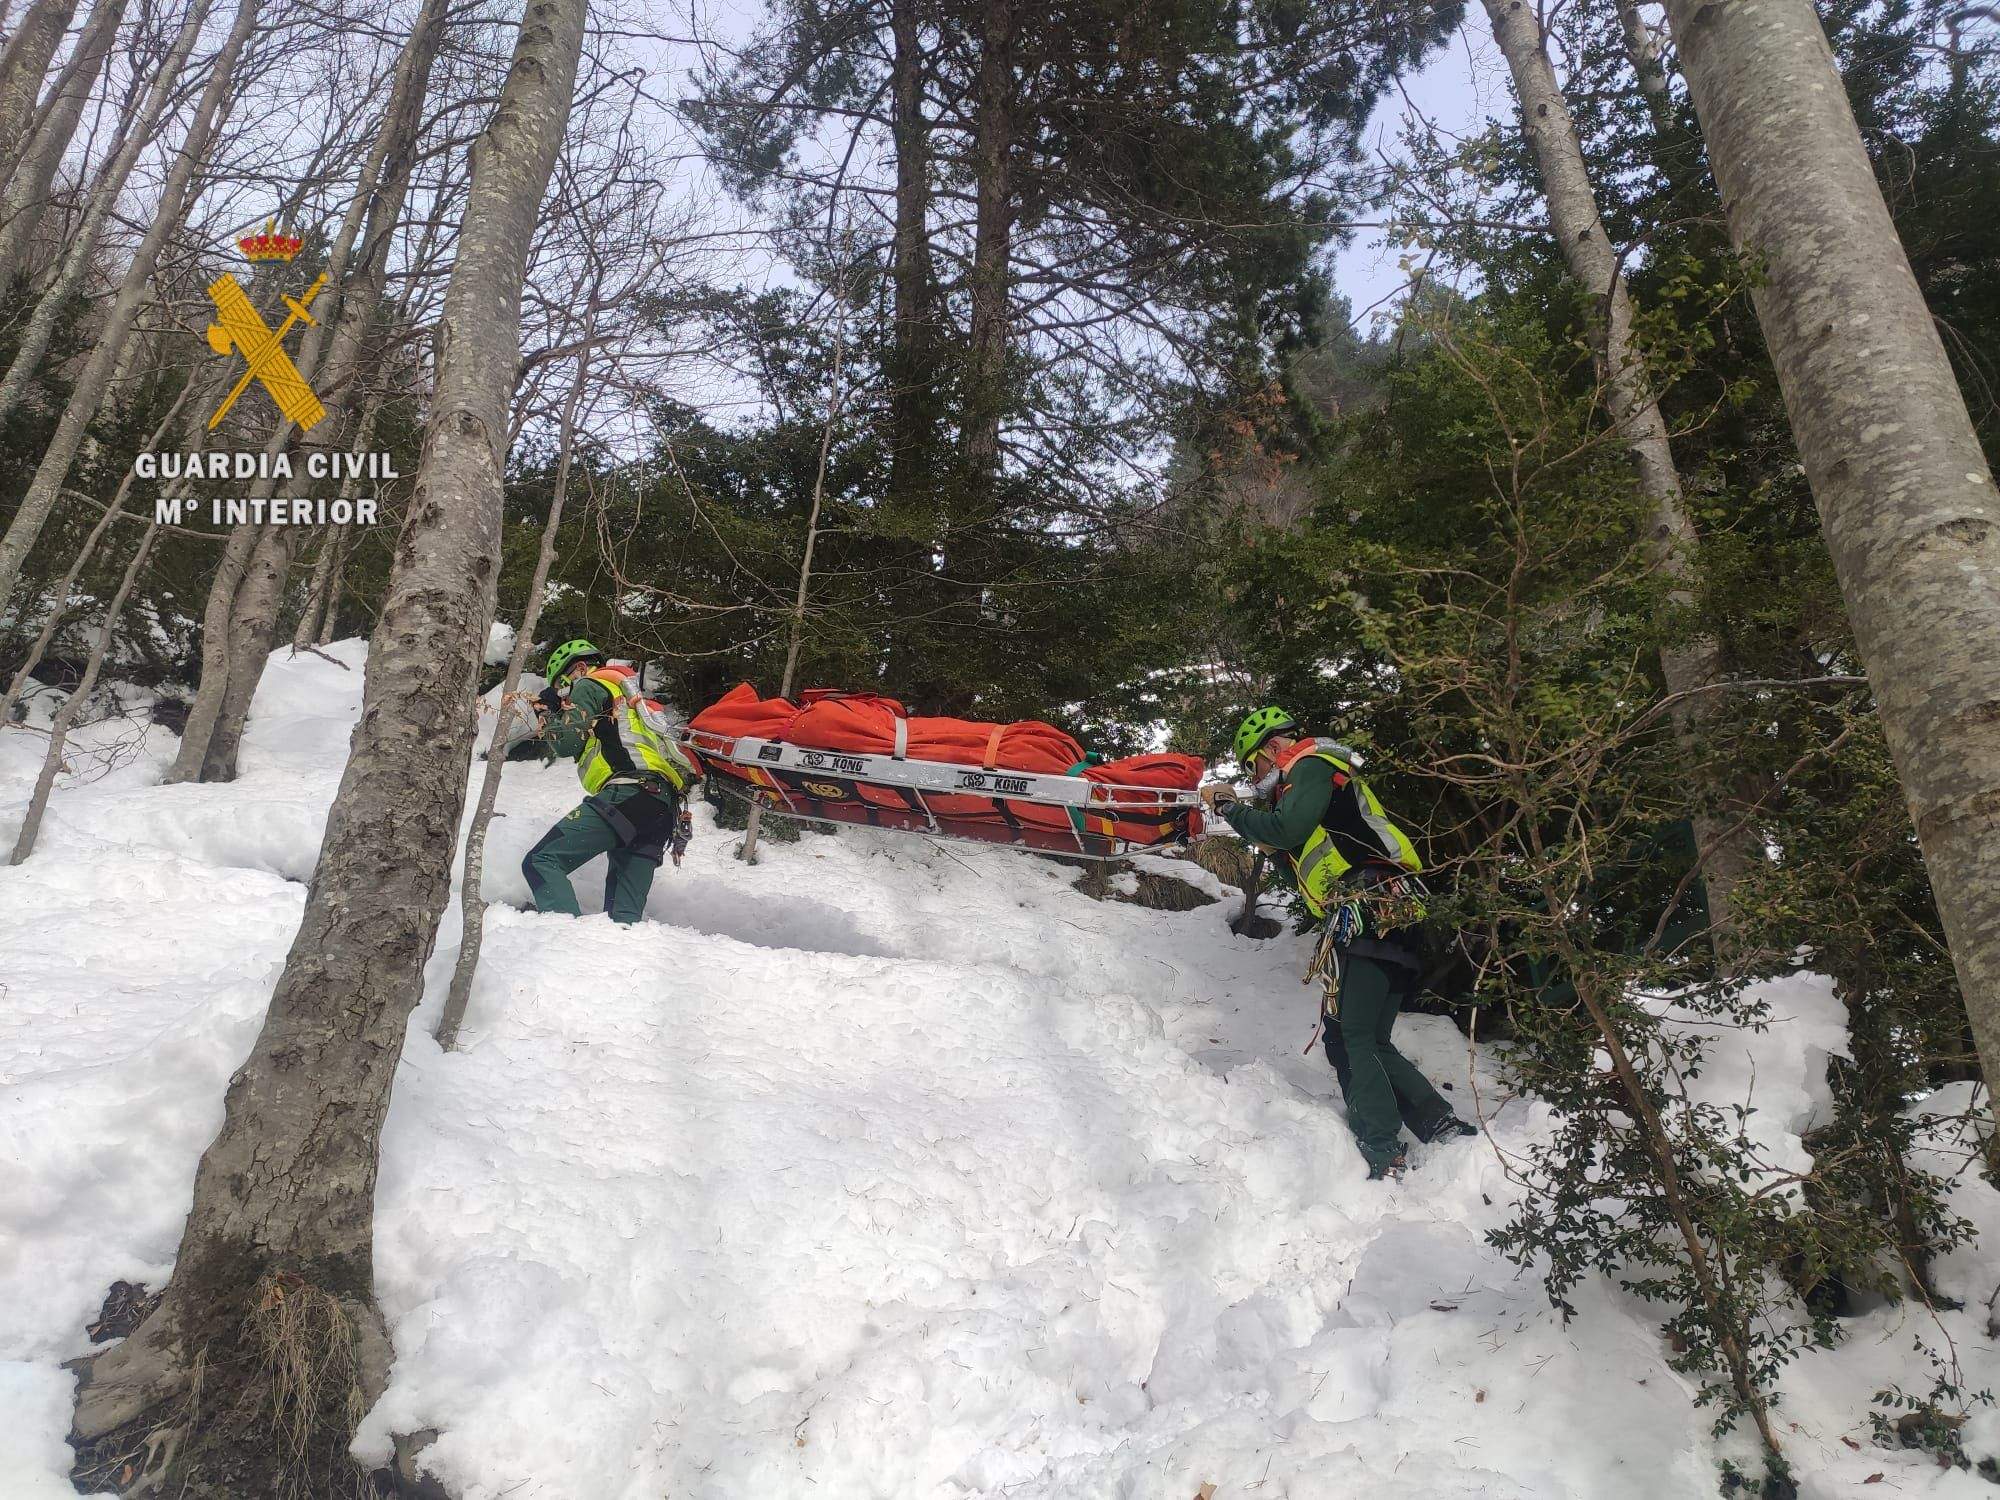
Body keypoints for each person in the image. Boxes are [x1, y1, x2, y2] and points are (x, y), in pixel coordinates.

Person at [1203, 706, 1476, 1179]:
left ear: (1273, 747)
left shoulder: (1310, 765)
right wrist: (1272, 845)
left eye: (1254, 766)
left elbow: (1286, 829)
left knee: (1352, 1036)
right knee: (1362, 1036)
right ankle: (1438, 1122)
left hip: (1371, 907)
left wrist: (1230, 809)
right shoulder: (1310, 792)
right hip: (1384, 912)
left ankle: (1381, 1142)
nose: (1255, 778)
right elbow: (1297, 852)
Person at [517, 638, 698, 924]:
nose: (563, 695)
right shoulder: (632, 703)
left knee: (541, 861)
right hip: (662, 810)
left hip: (630, 795)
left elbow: (565, 743)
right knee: (622, 920)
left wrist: (547, 711)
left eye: (562, 685)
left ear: (579, 668)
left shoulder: (589, 684)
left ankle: (563, 939)